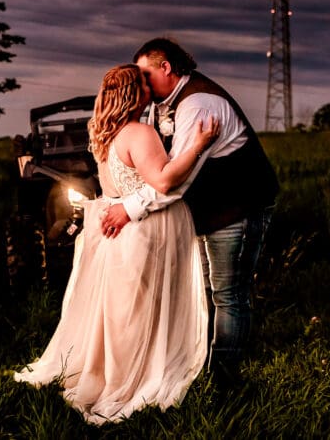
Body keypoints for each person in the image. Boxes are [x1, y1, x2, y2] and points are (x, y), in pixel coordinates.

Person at [14, 63, 220, 425]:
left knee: (123, 309)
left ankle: (113, 370)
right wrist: (199, 145)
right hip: (145, 228)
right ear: (132, 93)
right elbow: (164, 182)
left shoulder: (102, 132)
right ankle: (135, 376)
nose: (150, 84)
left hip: (116, 229)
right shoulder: (140, 133)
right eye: (143, 81)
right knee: (146, 308)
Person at [100, 37, 280, 385]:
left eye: (145, 75)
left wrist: (129, 209)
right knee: (202, 292)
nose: (141, 83)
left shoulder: (199, 103)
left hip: (237, 206)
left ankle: (223, 379)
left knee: (228, 294)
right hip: (205, 212)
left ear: (165, 67)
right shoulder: (159, 103)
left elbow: (174, 183)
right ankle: (196, 365)